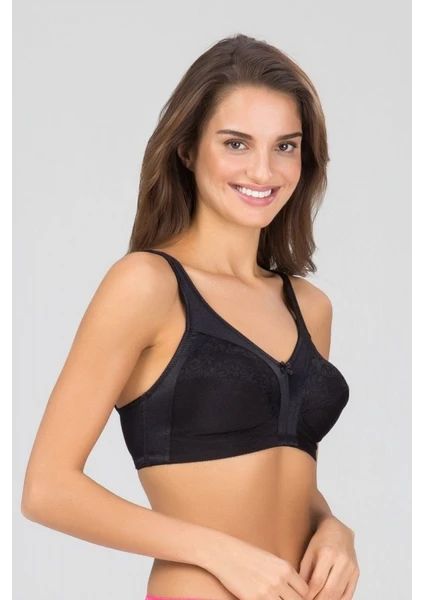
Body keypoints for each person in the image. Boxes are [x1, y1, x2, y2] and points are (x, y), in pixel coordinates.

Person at [21, 33, 360, 600]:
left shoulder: (310, 307)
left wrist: (334, 528)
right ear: (187, 149)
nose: (263, 171)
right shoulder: (147, 285)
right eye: (236, 143)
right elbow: (47, 490)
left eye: (285, 146)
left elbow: (287, 476)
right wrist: (219, 552)